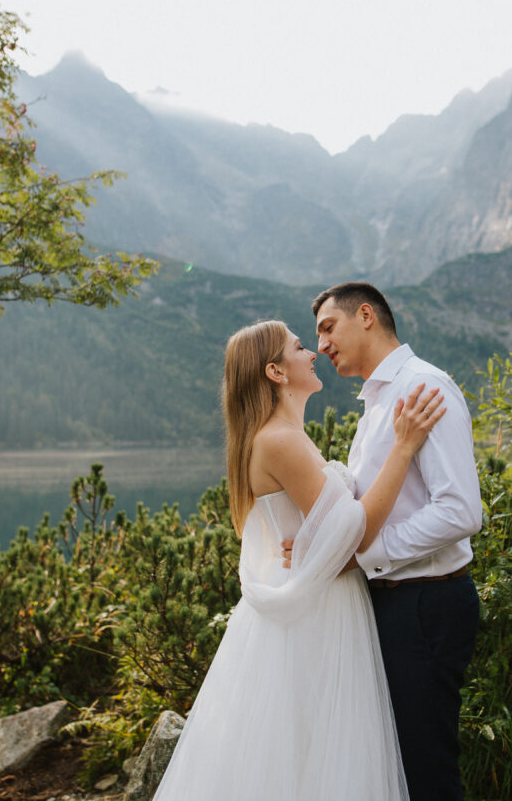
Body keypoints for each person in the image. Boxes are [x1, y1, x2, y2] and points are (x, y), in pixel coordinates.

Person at [153, 319, 446, 801]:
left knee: (306, 755)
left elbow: (336, 528)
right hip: (318, 615)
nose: (313, 353)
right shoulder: (279, 440)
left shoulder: (284, 436)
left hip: (318, 603)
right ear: (276, 371)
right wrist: (404, 446)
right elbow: (358, 530)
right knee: (318, 753)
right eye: (299, 346)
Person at [310, 282, 482, 801]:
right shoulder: (378, 401)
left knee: (427, 769)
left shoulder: (423, 387)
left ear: (366, 315)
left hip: (426, 605)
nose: (321, 345)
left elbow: (459, 511)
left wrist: (366, 556)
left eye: (327, 327)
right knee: (398, 766)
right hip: (393, 605)